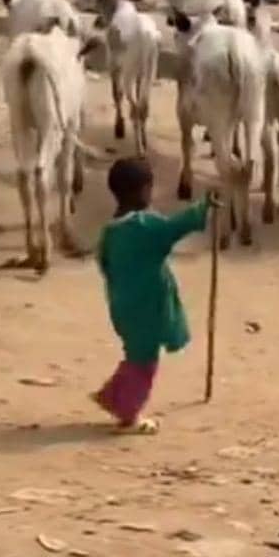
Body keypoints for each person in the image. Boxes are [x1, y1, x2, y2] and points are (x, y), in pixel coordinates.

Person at [91, 156, 213, 434]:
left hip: (122, 305)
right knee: (144, 362)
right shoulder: (144, 227)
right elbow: (175, 227)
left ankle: (113, 396)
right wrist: (203, 208)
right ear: (142, 191)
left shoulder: (111, 231)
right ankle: (128, 414)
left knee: (135, 354)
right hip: (147, 307)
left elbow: (104, 264)